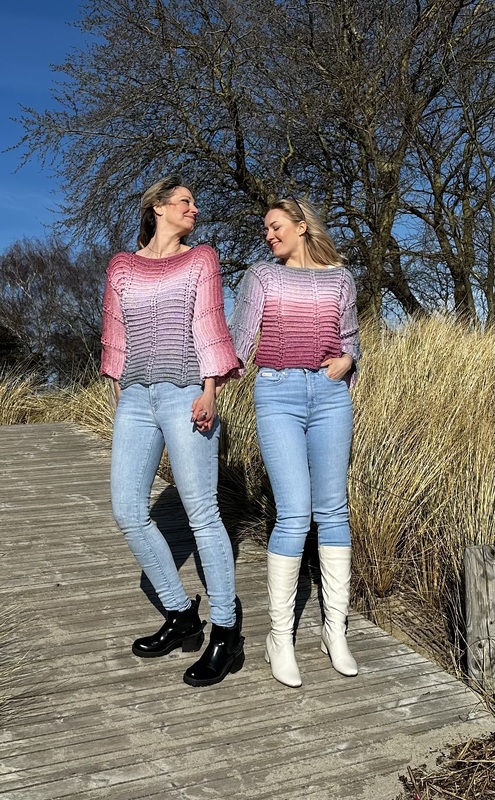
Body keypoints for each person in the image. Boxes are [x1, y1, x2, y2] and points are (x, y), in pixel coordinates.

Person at [100, 176, 244, 687]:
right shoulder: (122, 266)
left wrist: (210, 392)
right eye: (185, 201)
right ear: (158, 207)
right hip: (136, 399)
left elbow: (209, 325)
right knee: (126, 509)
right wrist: (119, 393)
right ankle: (182, 615)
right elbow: (115, 333)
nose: (194, 209)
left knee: (202, 513)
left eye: (195, 203)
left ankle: (226, 630)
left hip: (187, 395)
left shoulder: (201, 259)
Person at [229, 197, 360, 688]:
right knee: (293, 514)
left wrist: (348, 359)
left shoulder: (341, 278)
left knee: (334, 511)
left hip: (330, 395)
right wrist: (204, 387)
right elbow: (239, 340)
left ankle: (334, 631)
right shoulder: (262, 276)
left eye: (276, 226)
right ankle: (280, 638)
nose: (268, 235)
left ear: (302, 226)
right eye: (265, 229)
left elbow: (351, 336)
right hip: (277, 392)